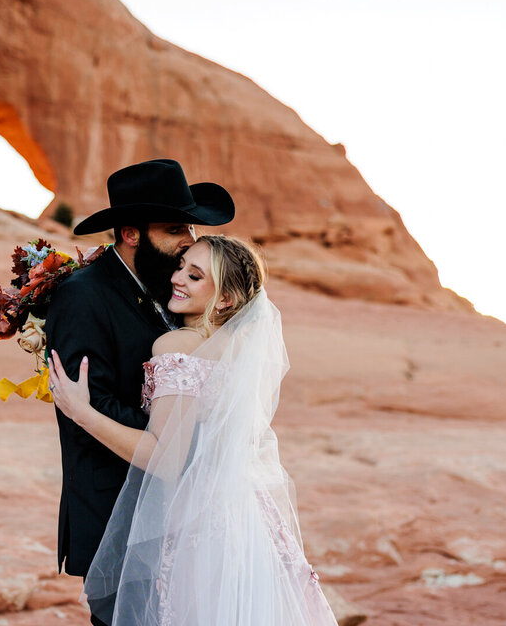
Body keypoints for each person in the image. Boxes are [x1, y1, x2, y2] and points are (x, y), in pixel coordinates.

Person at [49, 235, 338, 625]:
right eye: (182, 265)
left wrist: (81, 413)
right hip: (243, 520)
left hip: (192, 527)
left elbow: (166, 458)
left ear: (224, 300)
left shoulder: (178, 345)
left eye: (195, 275)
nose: (177, 278)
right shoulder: (233, 347)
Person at [44, 159, 235, 626]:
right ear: (131, 234)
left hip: (176, 512)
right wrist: (176, 441)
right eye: (174, 228)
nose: (188, 238)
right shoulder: (82, 294)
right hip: (118, 515)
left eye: (188, 226)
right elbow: (88, 400)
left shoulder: (166, 287)